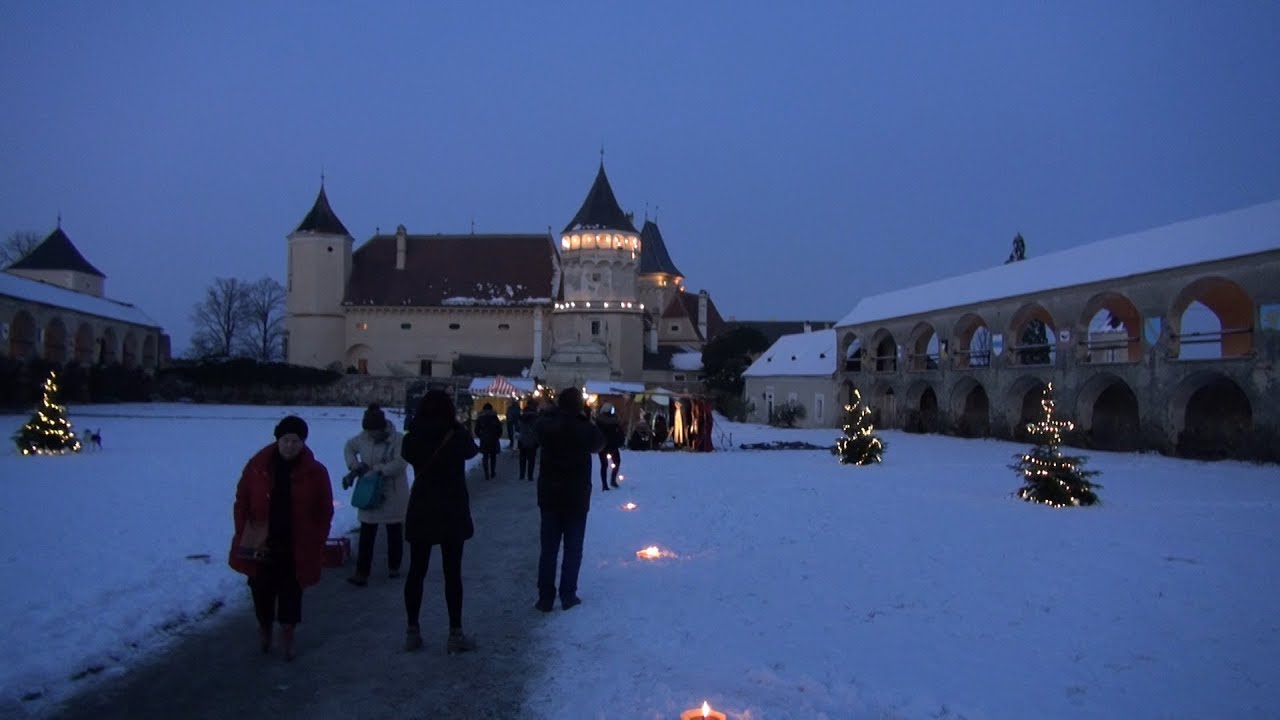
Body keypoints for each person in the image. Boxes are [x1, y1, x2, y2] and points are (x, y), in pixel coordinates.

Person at [228, 415, 333, 661]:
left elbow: (324, 508)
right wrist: (243, 529)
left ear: (303, 443)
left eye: (295, 441)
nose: (290, 446)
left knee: (291, 594)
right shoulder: (258, 465)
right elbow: (242, 498)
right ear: (277, 440)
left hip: (296, 544)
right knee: (261, 591)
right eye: (286, 440)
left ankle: (288, 635)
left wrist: (318, 536)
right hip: (261, 543)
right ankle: (265, 628)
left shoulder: (316, 472)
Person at [400, 390, 481, 654]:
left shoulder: (413, 437)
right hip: (451, 507)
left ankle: (413, 630)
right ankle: (455, 633)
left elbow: (408, 454)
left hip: (422, 505)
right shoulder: (455, 436)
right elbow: (472, 450)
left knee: (416, 571)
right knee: (452, 573)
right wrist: (456, 425)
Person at [533, 387, 604, 612]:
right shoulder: (585, 428)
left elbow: (537, 429)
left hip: (550, 494)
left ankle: (545, 597)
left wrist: (550, 413)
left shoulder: (547, 425)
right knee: (573, 548)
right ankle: (568, 593)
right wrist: (587, 418)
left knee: (549, 550)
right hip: (576, 496)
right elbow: (599, 443)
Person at [342, 404, 409, 587]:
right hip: (369, 492)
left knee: (394, 531)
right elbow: (349, 447)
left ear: (382, 428)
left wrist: (380, 471)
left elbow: (401, 462)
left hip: (392, 492)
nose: (371, 435)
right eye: (369, 431)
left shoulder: (398, 440)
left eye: (374, 431)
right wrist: (354, 465)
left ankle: (394, 566)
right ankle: (362, 572)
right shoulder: (363, 438)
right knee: (367, 533)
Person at [594, 404, 625, 491]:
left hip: (611, 445)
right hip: (605, 446)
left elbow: (620, 432)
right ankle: (606, 484)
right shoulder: (600, 421)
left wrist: (621, 441)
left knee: (614, 462)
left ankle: (611, 481)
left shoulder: (614, 420)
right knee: (605, 465)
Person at [474, 402, 502, 480]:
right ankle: (492, 472)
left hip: (484, 439)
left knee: (485, 456)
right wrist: (497, 436)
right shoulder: (494, 417)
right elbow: (500, 428)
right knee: (493, 457)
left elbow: (476, 430)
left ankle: (486, 473)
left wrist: (481, 436)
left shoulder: (480, 418)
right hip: (493, 439)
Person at [516, 402, 540, 481]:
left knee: (522, 459)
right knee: (531, 459)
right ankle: (530, 476)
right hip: (532, 440)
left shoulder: (521, 418)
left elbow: (518, 428)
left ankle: (522, 475)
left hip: (522, 440)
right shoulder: (536, 418)